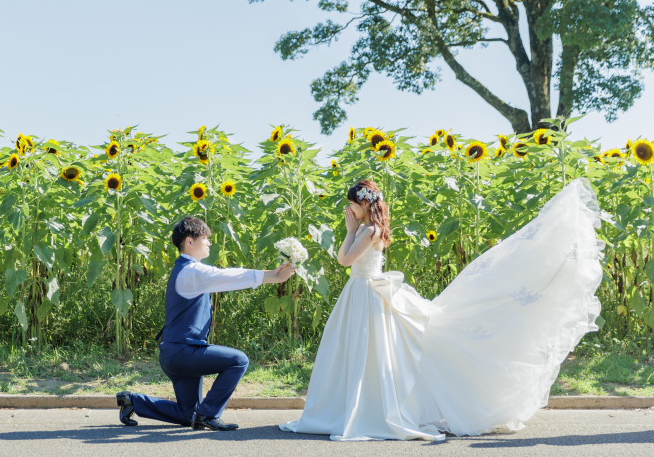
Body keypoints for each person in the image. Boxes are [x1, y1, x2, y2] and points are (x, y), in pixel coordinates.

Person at [280, 178, 603, 441]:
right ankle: (357, 403)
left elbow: (344, 260)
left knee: (374, 351)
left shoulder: (369, 231)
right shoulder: (368, 229)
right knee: (362, 352)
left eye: (351, 204)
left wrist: (350, 231)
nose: (348, 210)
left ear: (364, 204)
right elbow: (347, 260)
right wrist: (351, 231)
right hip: (361, 294)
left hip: (367, 294)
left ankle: (371, 407)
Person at [117, 216, 296, 431]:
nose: (209, 242)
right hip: (182, 352)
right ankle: (209, 415)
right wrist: (274, 277)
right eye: (205, 238)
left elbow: (225, 276)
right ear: (190, 242)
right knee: (238, 360)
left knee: (188, 415)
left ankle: (132, 401)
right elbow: (229, 276)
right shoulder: (192, 271)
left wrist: (274, 275)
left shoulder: (190, 270)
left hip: (177, 352)